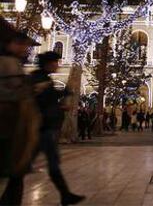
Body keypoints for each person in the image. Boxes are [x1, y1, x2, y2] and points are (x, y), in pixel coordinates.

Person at [30, 51, 85, 205]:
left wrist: (60, 104)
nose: (58, 64)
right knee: (28, 166)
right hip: (40, 128)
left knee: (46, 162)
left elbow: (48, 99)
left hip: (44, 128)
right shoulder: (39, 79)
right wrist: (62, 95)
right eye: (56, 62)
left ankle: (65, 194)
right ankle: (65, 194)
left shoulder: (44, 79)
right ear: (48, 63)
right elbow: (41, 101)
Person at [0, 28, 41, 206]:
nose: (25, 48)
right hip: (8, 123)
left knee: (14, 173)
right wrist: (30, 89)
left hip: (12, 124)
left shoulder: (12, 62)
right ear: (9, 44)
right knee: (13, 172)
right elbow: (14, 91)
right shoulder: (8, 63)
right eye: (21, 44)